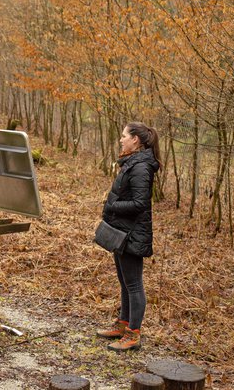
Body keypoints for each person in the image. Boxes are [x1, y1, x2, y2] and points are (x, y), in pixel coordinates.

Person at [96, 122, 161, 351]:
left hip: (133, 234)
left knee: (134, 284)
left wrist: (113, 205)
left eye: (124, 136)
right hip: (121, 232)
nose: (121, 139)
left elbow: (140, 203)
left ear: (136, 140)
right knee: (125, 282)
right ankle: (123, 325)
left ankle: (133, 334)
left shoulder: (142, 166)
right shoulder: (132, 162)